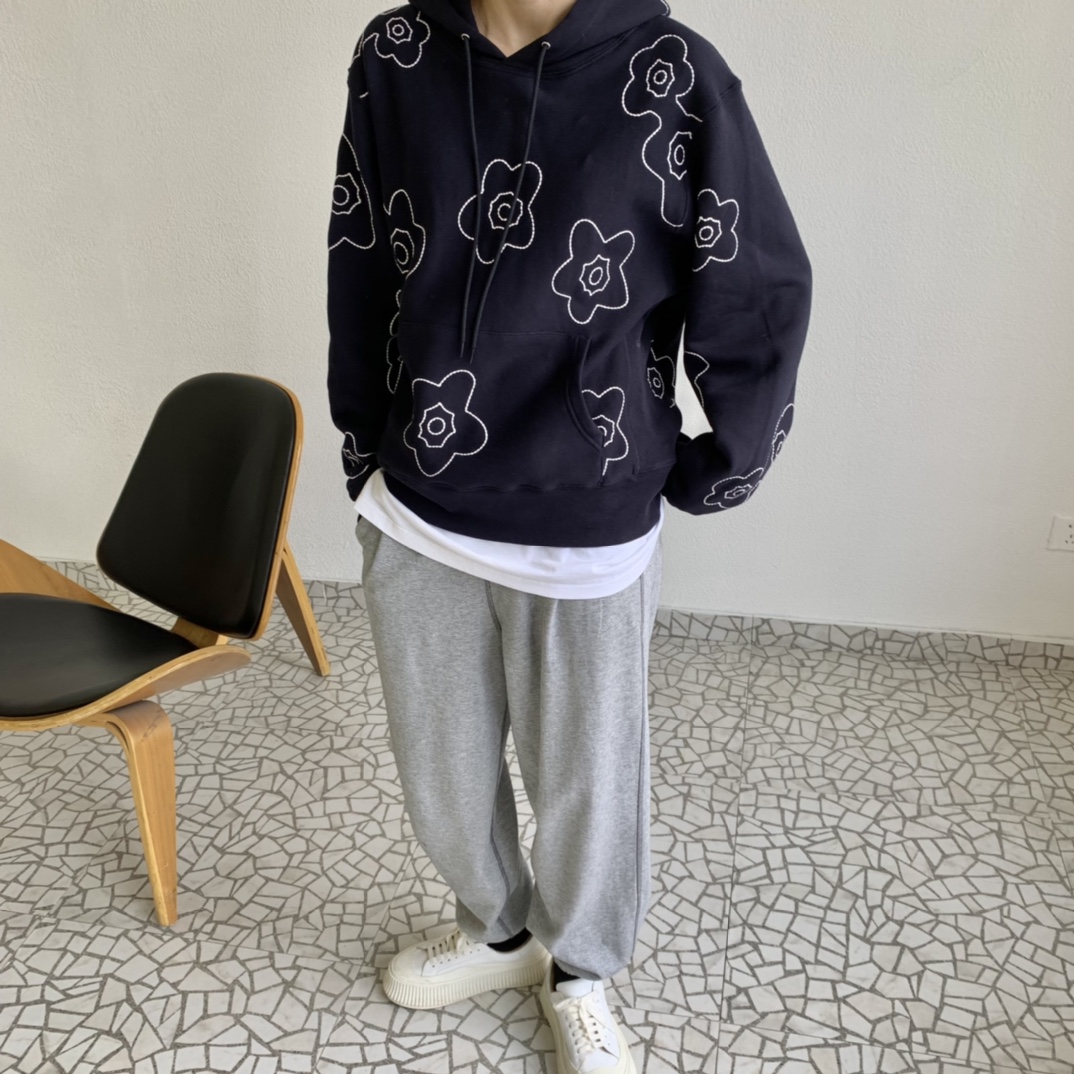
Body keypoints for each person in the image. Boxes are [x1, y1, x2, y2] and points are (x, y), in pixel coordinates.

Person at [326, 0, 812, 1069]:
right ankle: (498, 933)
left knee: (587, 784)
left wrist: (712, 464)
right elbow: (361, 255)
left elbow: (756, 285)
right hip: (419, 502)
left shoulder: (674, 72)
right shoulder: (397, 53)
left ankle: (581, 970)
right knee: (440, 770)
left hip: (586, 519)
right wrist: (365, 447)